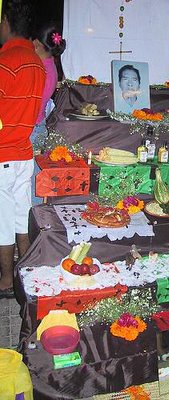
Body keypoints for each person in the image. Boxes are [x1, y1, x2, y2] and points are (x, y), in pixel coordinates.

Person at [0, 0, 45, 297]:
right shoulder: (37, 63)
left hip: (3, 154)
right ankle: (25, 275)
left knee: (3, 222)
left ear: (5, 22)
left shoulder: (6, 62)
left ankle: (5, 280)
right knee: (19, 216)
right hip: (23, 153)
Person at [31, 23, 66, 205]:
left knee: (31, 181)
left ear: (36, 43)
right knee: (32, 178)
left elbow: (33, 105)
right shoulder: (48, 65)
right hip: (37, 126)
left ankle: (30, 224)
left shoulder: (42, 69)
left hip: (32, 127)